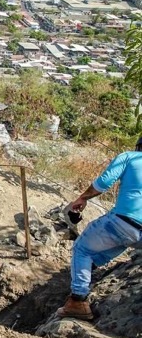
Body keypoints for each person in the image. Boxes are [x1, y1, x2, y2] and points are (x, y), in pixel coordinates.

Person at [57, 136, 142, 320]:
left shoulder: (130, 157)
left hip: (123, 223)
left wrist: (83, 198)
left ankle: (78, 301)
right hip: (136, 236)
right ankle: (82, 280)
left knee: (82, 248)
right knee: (98, 254)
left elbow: (103, 183)